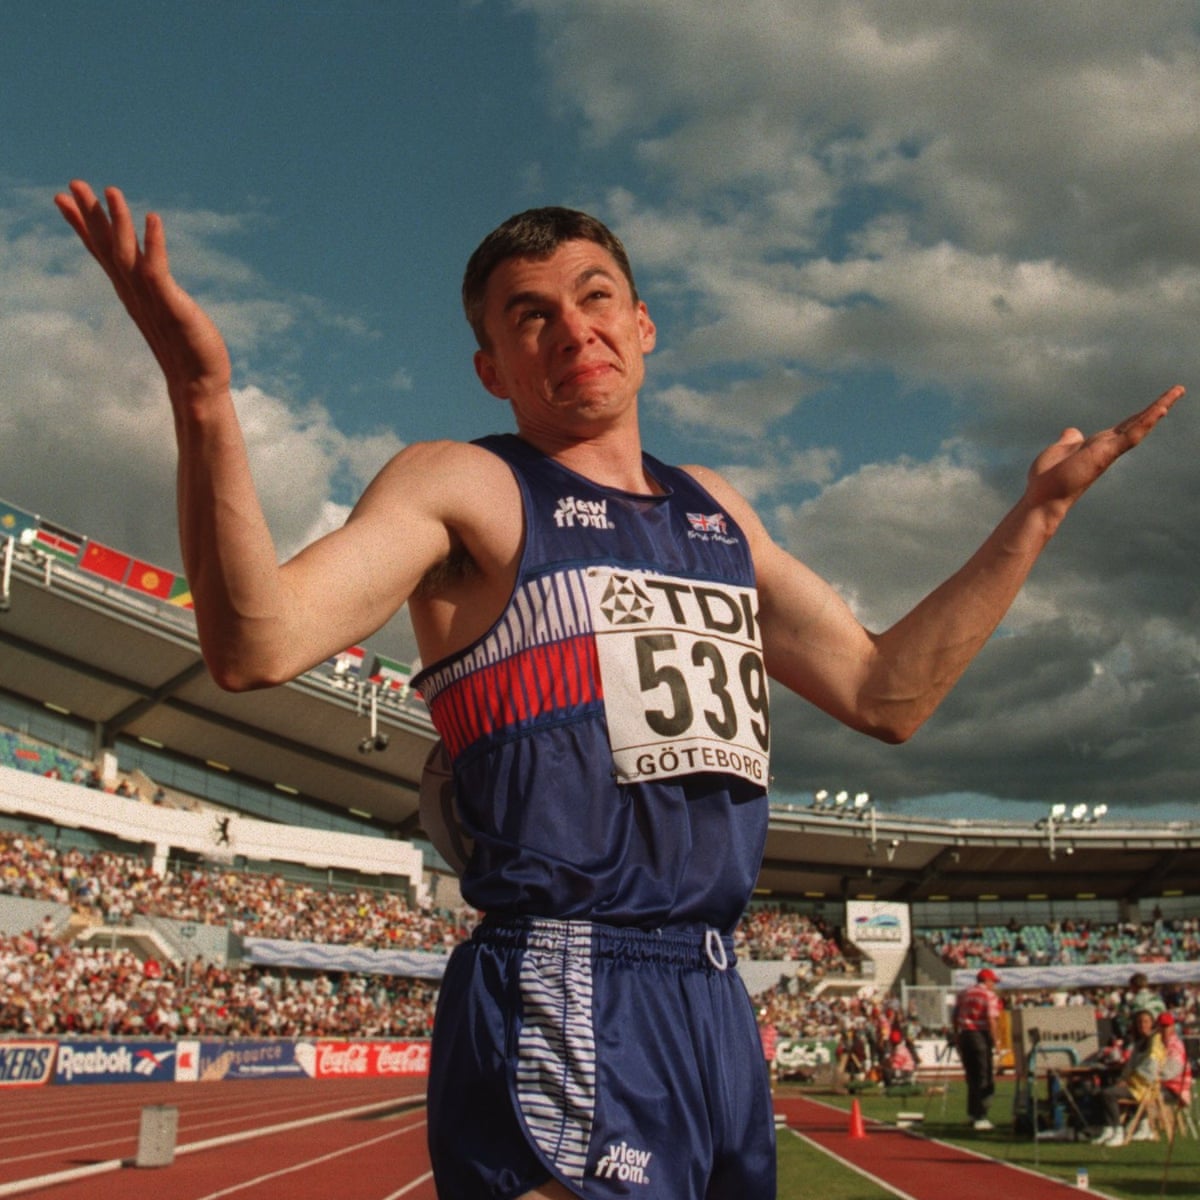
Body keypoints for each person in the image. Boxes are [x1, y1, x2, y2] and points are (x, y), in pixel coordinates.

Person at [55, 179, 1183, 1200]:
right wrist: (204, 398)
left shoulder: (717, 514)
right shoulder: (471, 487)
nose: (571, 327)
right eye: (528, 314)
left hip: (711, 997)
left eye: (595, 297)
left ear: (642, 328)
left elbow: (888, 693)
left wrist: (1033, 518)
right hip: (565, 975)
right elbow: (257, 642)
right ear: (493, 368)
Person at [1094, 1006, 1167, 1146]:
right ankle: (1109, 1129)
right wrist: (1123, 1079)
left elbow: (1150, 1068)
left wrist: (1128, 1081)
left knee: (1108, 1094)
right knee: (1102, 1091)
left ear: (1152, 1023)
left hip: (1145, 1087)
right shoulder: (1140, 1043)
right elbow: (1130, 1066)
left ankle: (1118, 1131)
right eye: (1139, 1022)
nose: (1142, 1025)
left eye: (1146, 1022)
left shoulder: (1155, 1041)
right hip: (1134, 1084)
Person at [952, 966, 1003, 1131]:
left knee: (971, 1077)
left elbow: (955, 1015)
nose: (994, 985)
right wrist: (997, 1042)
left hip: (965, 1035)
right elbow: (991, 1019)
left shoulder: (964, 993)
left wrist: (957, 1034)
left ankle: (973, 1113)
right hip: (980, 1035)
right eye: (993, 982)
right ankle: (981, 1115)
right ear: (987, 981)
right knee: (984, 1076)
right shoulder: (989, 995)